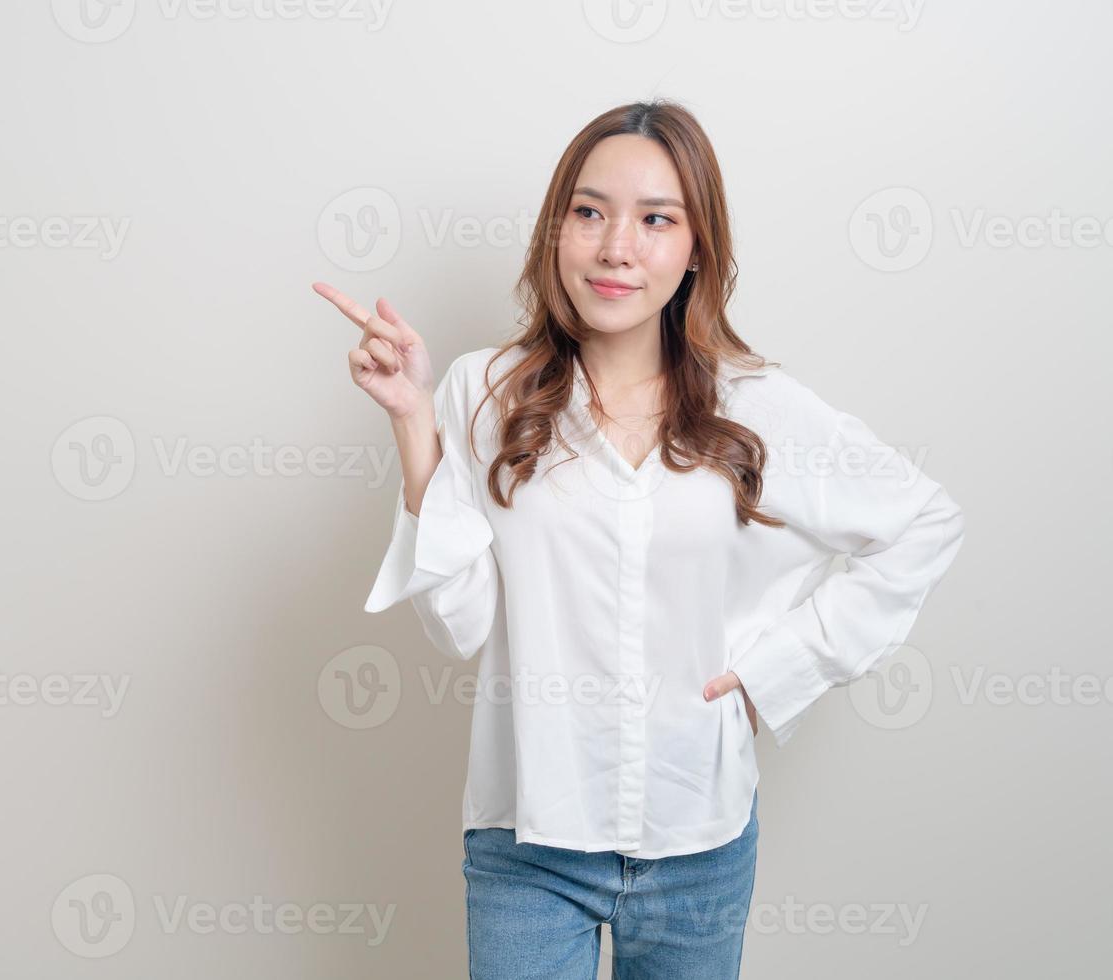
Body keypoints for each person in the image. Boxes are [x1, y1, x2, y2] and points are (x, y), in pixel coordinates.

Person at [312, 99, 965, 980]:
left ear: (697, 247)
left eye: (656, 220)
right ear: (556, 232)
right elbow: (461, 625)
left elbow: (922, 519)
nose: (617, 247)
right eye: (589, 212)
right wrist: (414, 423)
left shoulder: (754, 405)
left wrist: (780, 669)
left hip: (698, 837)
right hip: (526, 840)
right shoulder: (484, 390)